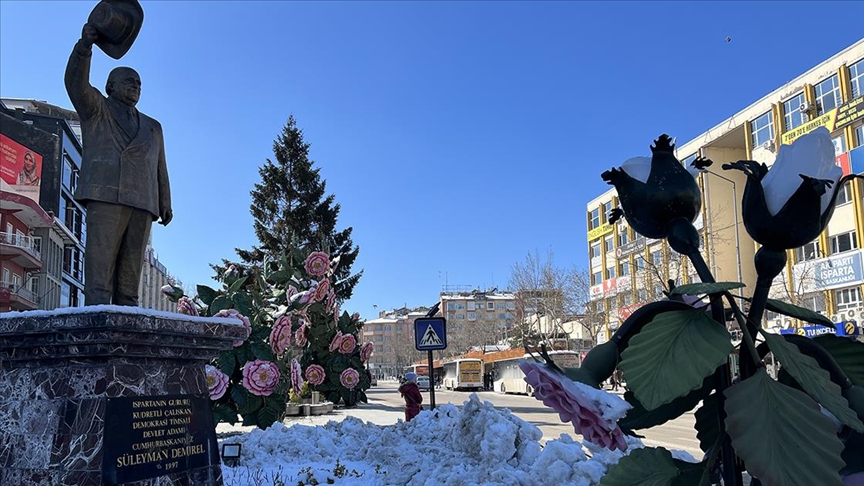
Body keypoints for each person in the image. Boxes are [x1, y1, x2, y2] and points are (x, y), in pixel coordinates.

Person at [65, 22, 172, 306]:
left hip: (143, 202)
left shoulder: (153, 126)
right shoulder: (96, 109)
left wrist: (165, 201)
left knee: (129, 282)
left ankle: (128, 331)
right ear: (110, 86)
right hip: (105, 194)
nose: (135, 87)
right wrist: (84, 48)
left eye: (138, 83)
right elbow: (75, 84)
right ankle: (95, 329)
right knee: (99, 274)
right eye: (129, 81)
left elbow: (160, 166)